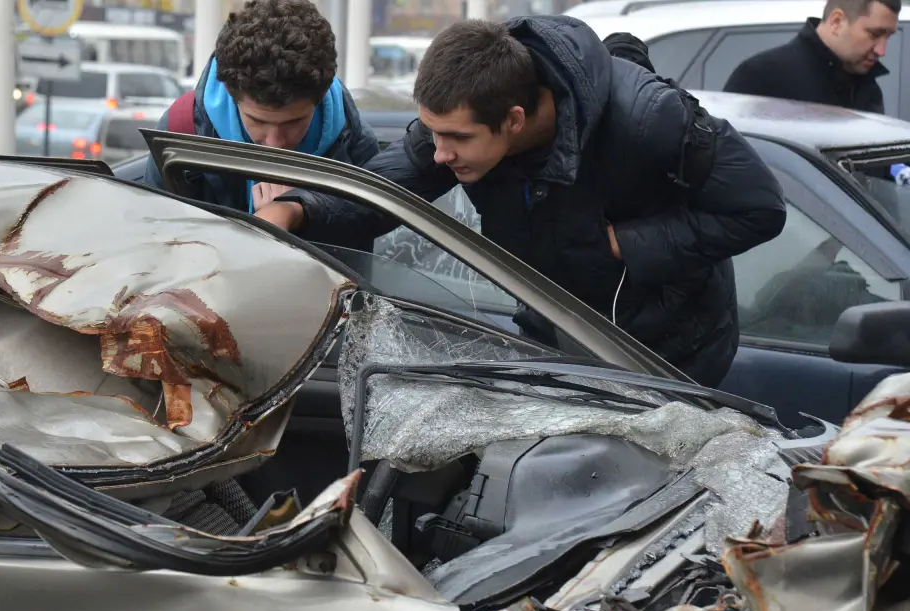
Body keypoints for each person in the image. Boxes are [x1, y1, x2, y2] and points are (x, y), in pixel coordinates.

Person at [255, 17, 788, 388]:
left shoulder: (650, 120)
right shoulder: (471, 101)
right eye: (432, 132)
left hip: (670, 357)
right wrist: (297, 210)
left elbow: (760, 208)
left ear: (513, 119)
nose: (439, 154)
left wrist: (628, 244)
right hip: (552, 342)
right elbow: (385, 190)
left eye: (455, 139)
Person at [141, 0, 378, 221]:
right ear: (229, 91)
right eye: (257, 121)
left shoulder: (355, 148)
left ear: (322, 95)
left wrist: (299, 217)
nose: (275, 144)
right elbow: (155, 242)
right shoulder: (181, 134)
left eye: (293, 123)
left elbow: (358, 258)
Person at [723, 0, 899, 114]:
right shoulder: (761, 77)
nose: (881, 50)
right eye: (875, 34)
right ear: (836, 22)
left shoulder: (867, 89)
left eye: (888, 37)